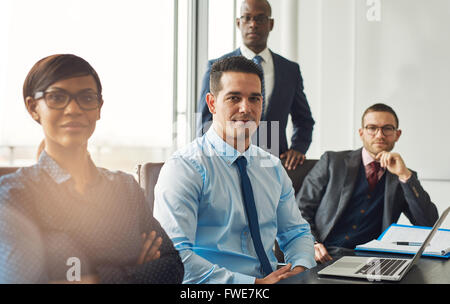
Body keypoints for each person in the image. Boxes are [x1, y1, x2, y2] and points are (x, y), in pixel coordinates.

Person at [0, 54, 184, 283]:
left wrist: (94, 278)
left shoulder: (125, 188)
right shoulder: (11, 196)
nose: (73, 109)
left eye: (86, 98)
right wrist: (135, 272)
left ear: (98, 108)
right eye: (57, 97)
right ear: (33, 107)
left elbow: (173, 266)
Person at [154, 56, 316, 284]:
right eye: (234, 98)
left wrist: (300, 269)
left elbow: (296, 232)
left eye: (254, 99)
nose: (246, 108)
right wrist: (252, 286)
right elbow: (176, 258)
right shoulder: (185, 167)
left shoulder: (272, 167)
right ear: (211, 104)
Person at [297, 103, 439, 263]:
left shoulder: (403, 176)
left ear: (397, 135)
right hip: (325, 255)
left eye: (387, 128)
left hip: (374, 261)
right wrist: (312, 243)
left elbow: (428, 224)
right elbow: (300, 210)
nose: (379, 135)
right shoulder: (332, 162)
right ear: (361, 133)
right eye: (372, 128)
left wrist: (405, 176)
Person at [196, 0, 315, 171]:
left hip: (275, 161)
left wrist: (298, 148)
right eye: (247, 18)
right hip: (227, 160)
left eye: (260, 19)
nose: (253, 24)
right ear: (238, 23)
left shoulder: (290, 70)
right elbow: (204, 119)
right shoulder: (218, 66)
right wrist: (213, 158)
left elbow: (304, 120)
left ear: (271, 24)